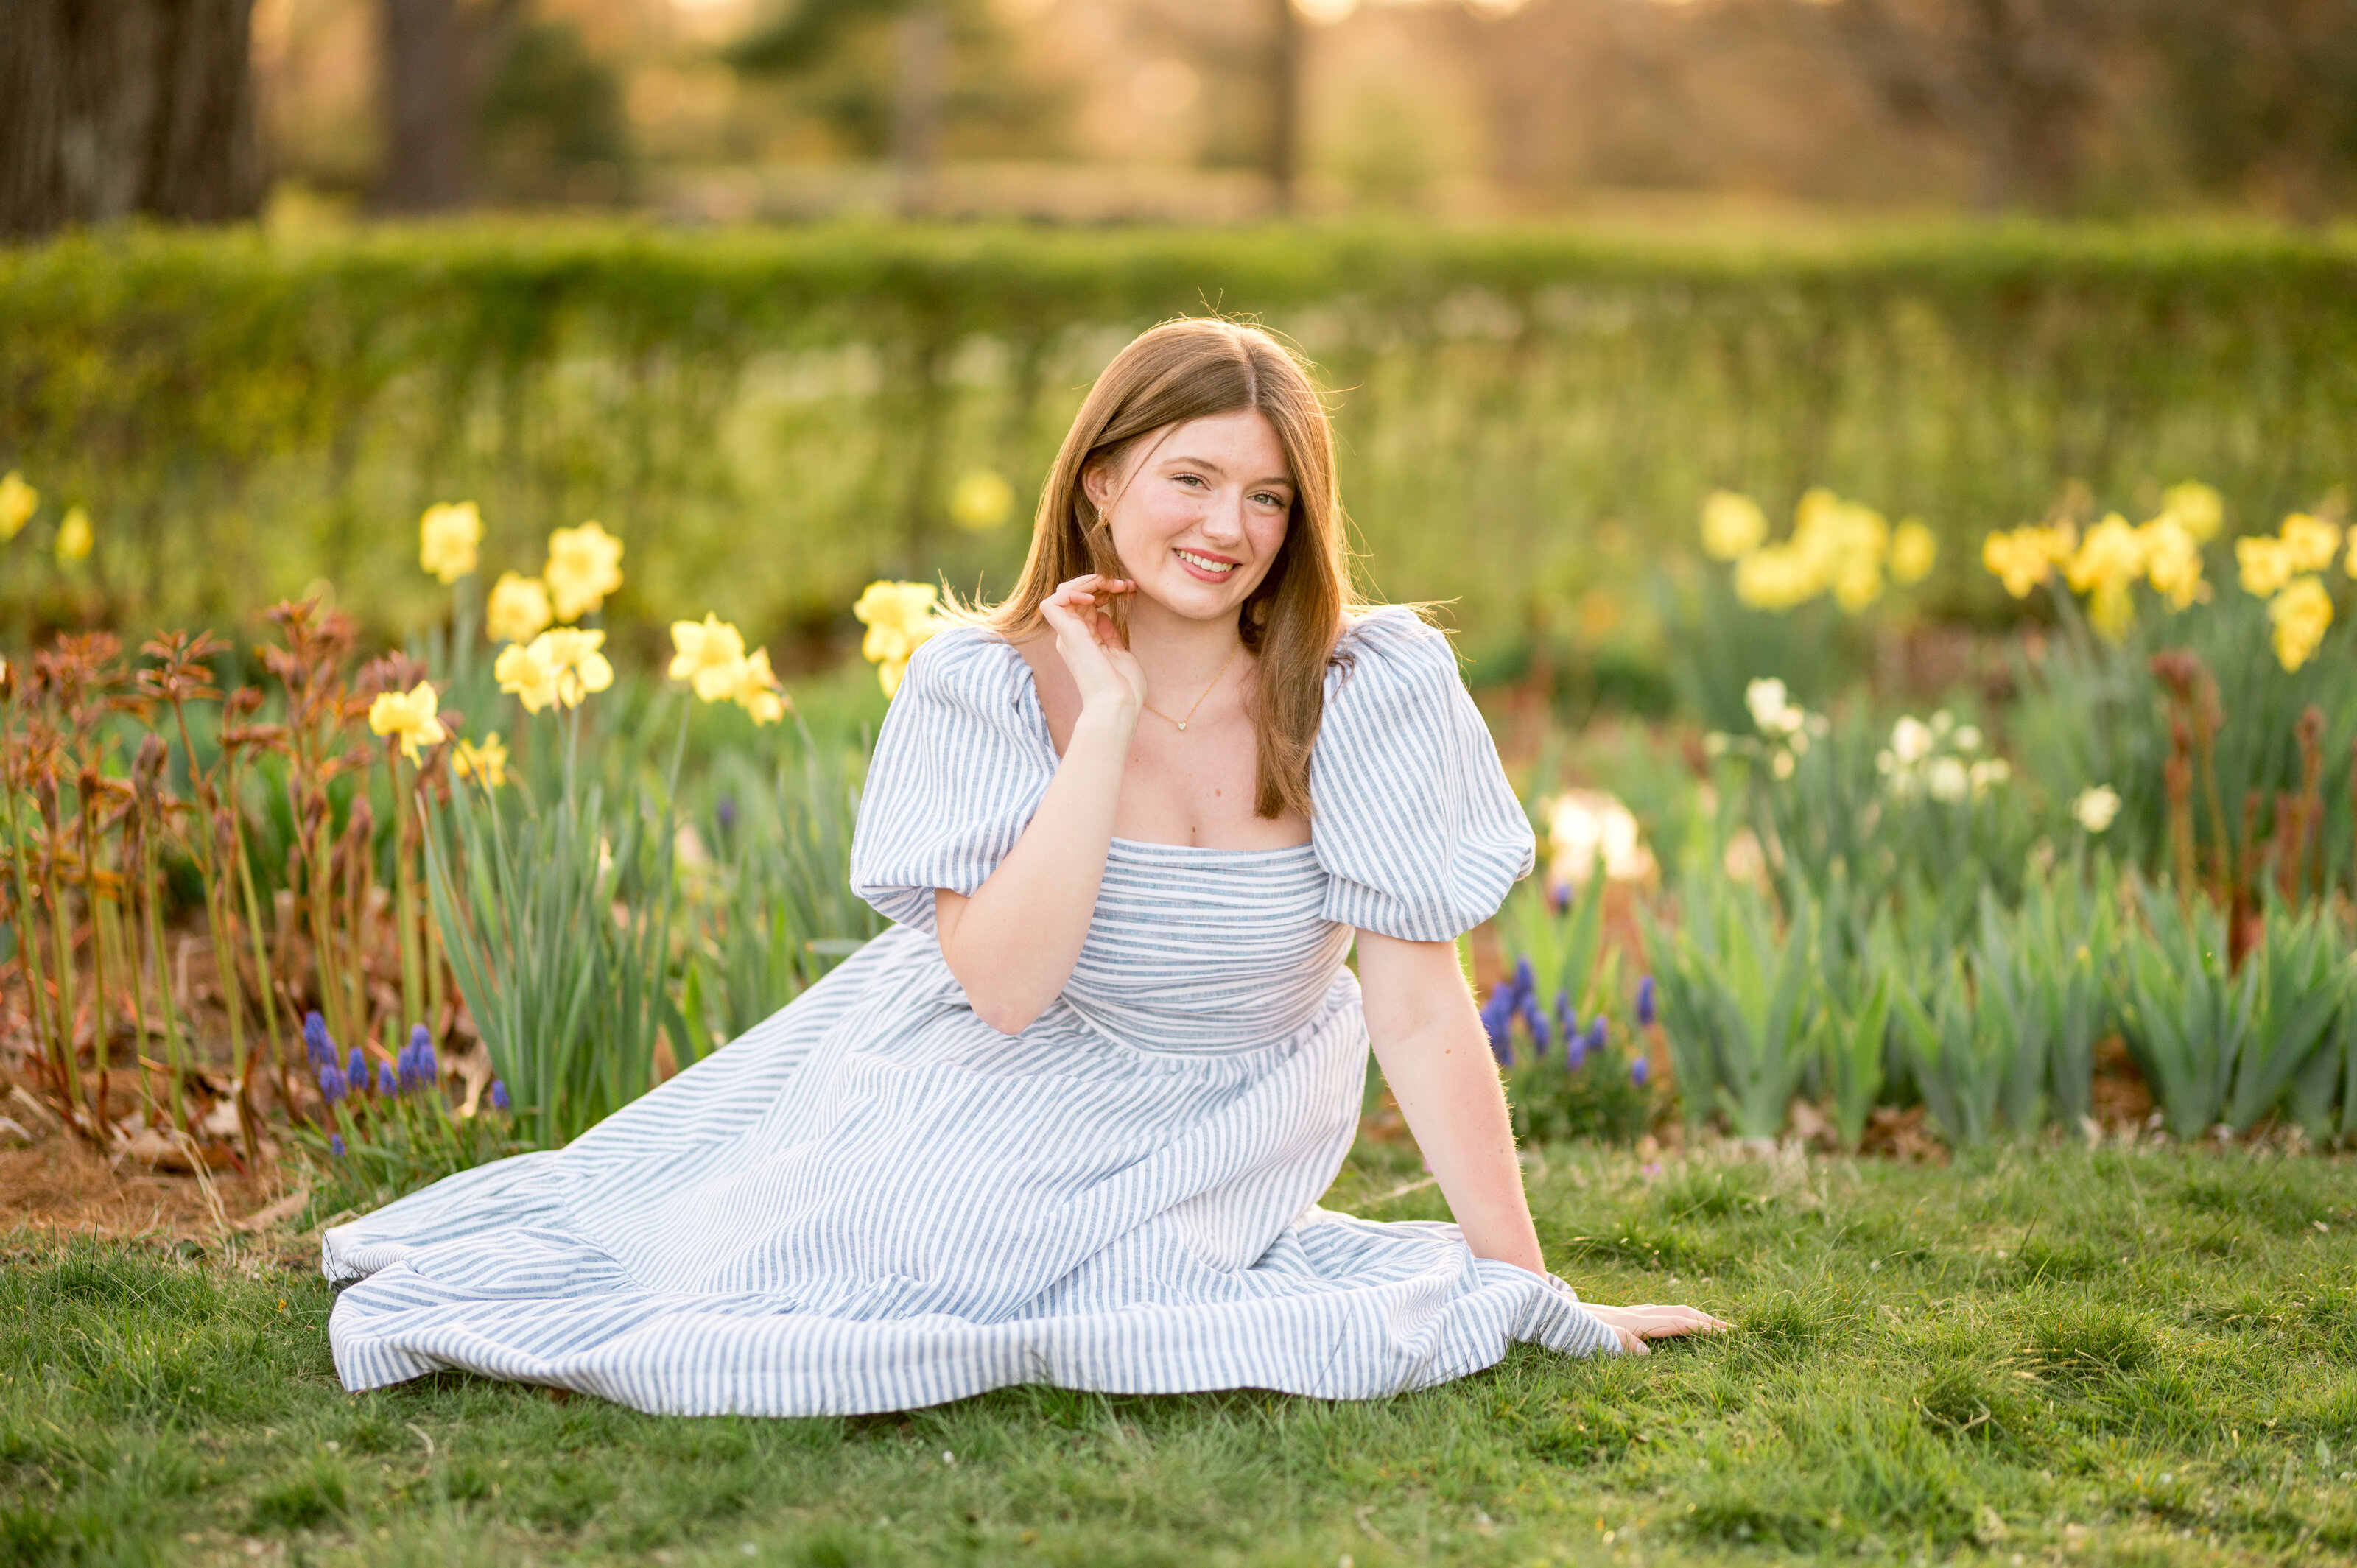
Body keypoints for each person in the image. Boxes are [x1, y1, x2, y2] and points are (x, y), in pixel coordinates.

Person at [323, 317, 1727, 1416]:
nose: (1229, 529)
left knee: (1095, 1295)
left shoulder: (1368, 685)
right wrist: (1104, 718)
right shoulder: (978, 685)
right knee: (859, 1282)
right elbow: (1002, 989)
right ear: (1103, 480)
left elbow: (1419, 1013)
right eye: (1191, 478)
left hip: (1225, 1113)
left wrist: (1532, 1290)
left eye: (1271, 498)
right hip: (978, 1076)